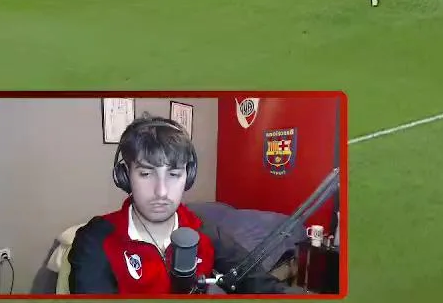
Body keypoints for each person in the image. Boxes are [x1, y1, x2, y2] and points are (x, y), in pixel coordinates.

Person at [67, 116, 292, 295]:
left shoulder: (204, 231)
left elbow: (261, 285)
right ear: (125, 176)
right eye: (146, 173)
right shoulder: (96, 240)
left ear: (188, 176)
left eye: (174, 174)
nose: (161, 191)